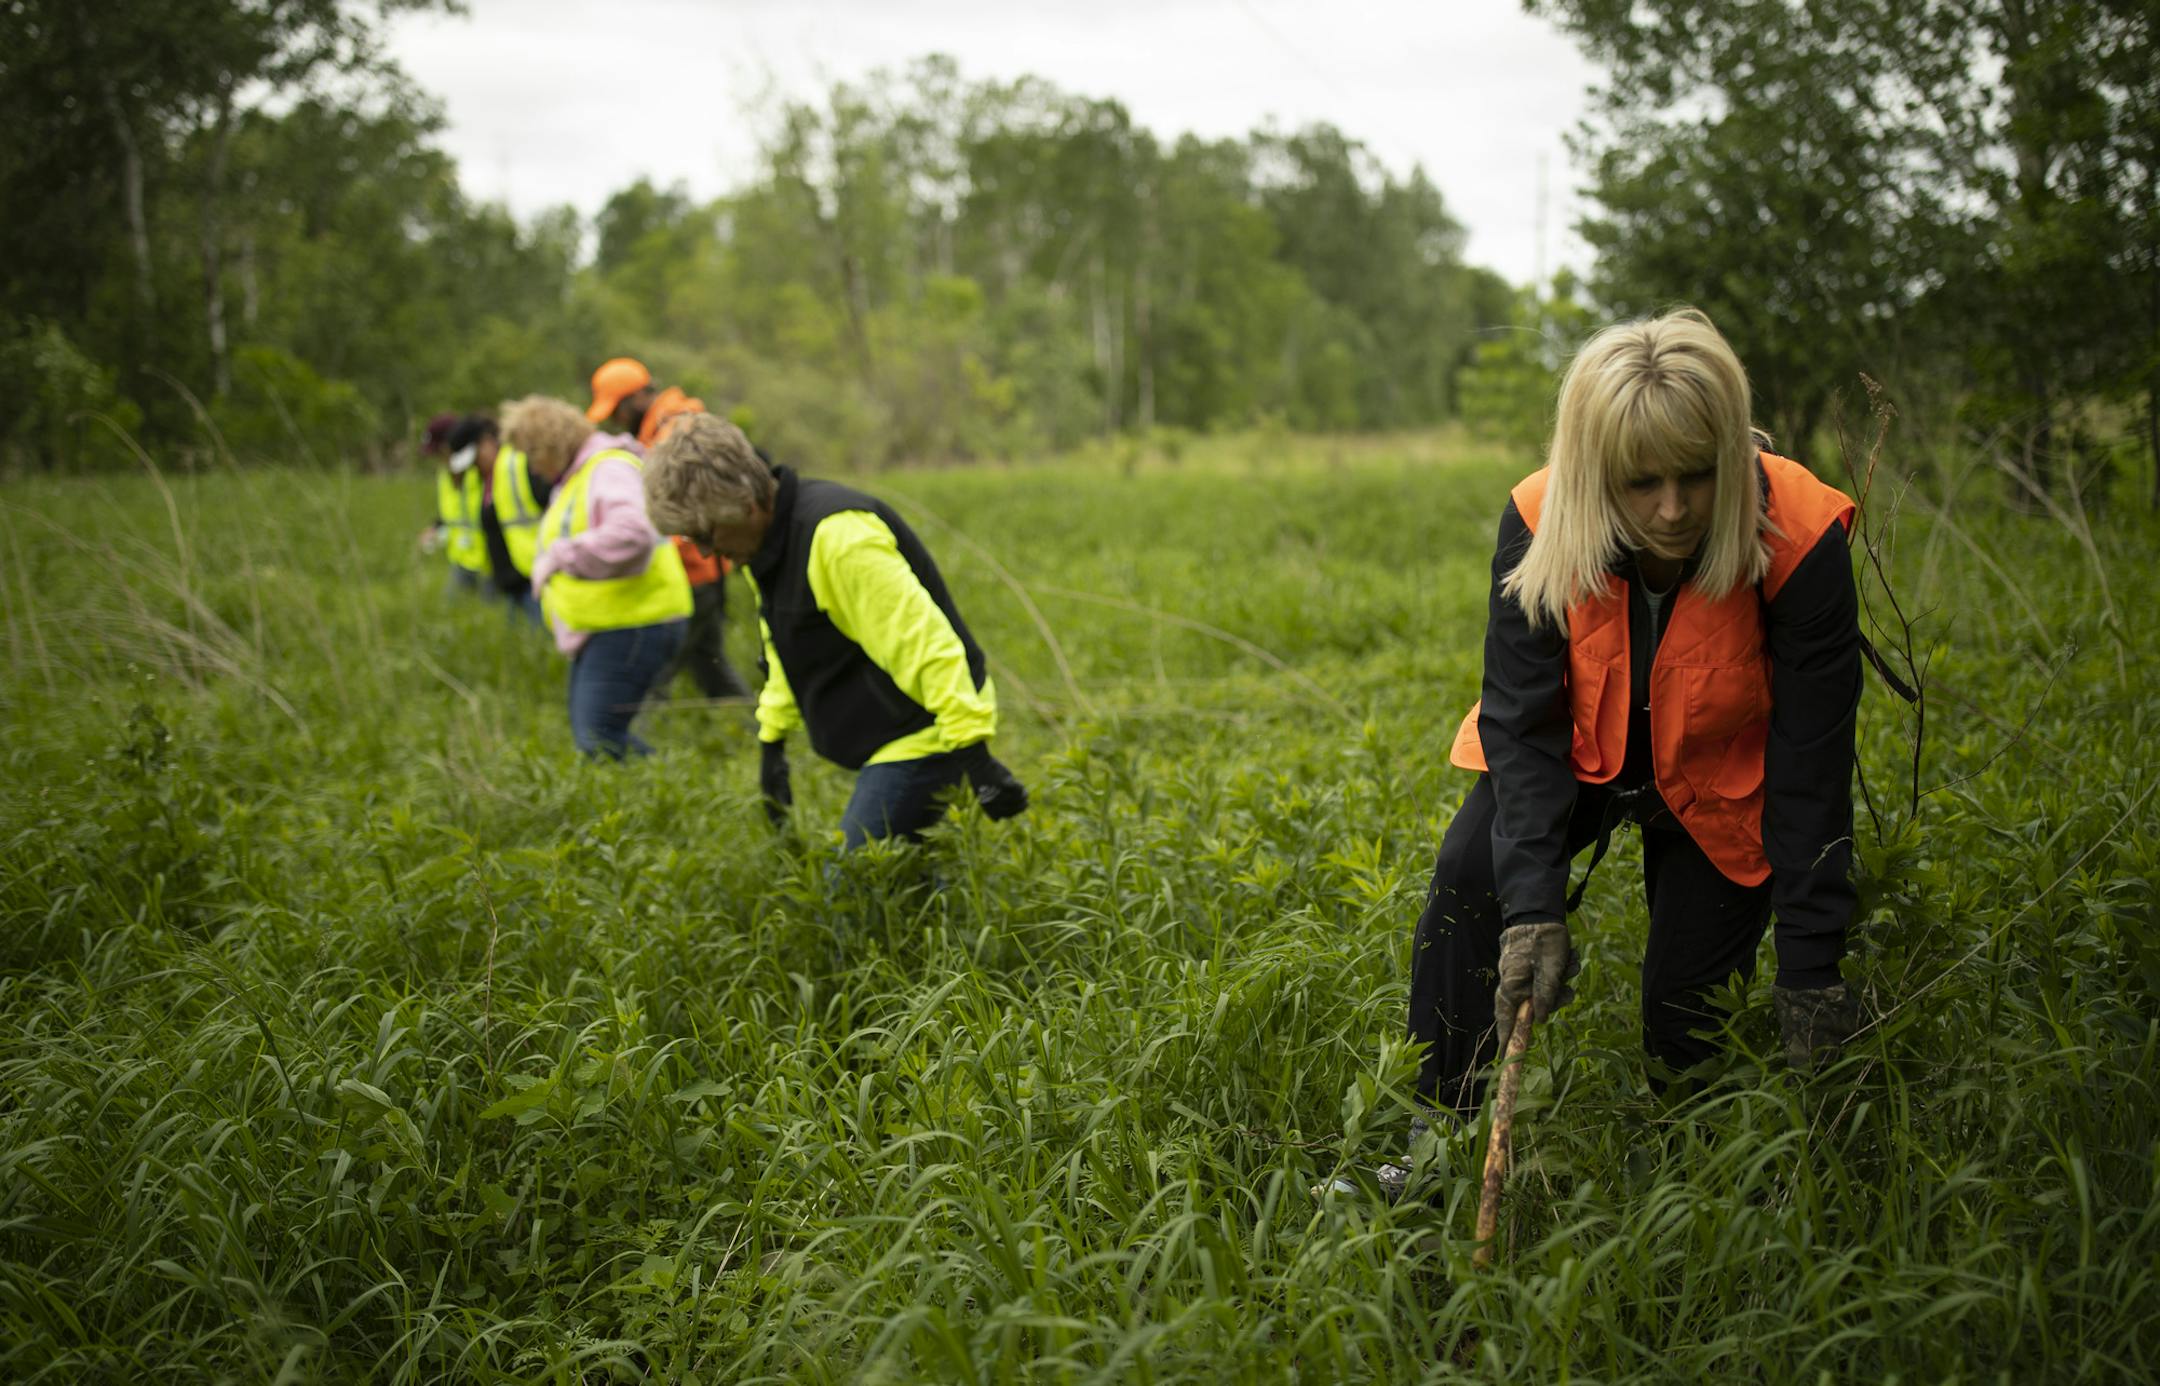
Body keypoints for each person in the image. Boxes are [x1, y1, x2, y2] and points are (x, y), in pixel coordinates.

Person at [1369, 307, 1867, 1202]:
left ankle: (1702, 1182)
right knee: (1469, 877)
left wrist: (1813, 967)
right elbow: (1519, 727)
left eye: (1696, 478)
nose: (1673, 511)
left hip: (1722, 771)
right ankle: (1433, 1148)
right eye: (1642, 485)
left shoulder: (1801, 533)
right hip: (1576, 752)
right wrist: (1531, 908)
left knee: (1687, 1011)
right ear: (1598, 474)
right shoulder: (1539, 513)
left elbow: (1812, 767)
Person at [642, 413, 1029, 847]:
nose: (707, 551)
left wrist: (974, 754)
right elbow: (782, 644)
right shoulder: (766, 546)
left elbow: (921, 641)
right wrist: (772, 741)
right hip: (890, 732)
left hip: (926, 730)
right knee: (905, 880)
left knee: (853, 885)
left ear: (744, 502)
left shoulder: (837, 538)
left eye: (706, 534)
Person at [501, 395, 692, 759]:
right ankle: (646, 796)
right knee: (595, 735)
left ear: (550, 445)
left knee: (599, 738)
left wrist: (561, 555)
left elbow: (632, 534)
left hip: (634, 622)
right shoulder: (582, 474)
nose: (532, 467)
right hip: (612, 624)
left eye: (532, 453)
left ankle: (663, 793)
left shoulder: (607, 470)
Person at [588, 357, 750, 700]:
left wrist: (651, 555)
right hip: (698, 572)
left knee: (656, 670)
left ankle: (620, 741)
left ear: (637, 398)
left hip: (694, 573)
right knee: (709, 665)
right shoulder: (661, 431)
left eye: (617, 410)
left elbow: (686, 510)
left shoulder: (674, 434)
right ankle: (758, 730)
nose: (617, 420)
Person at [445, 414, 549, 623]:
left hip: (535, 580)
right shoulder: (488, 477)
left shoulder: (517, 464)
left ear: (487, 442)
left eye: (475, 458)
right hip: (512, 583)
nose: (474, 466)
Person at [418, 410, 489, 594]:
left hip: (489, 563)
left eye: (440, 451)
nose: (439, 458)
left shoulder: (480, 470)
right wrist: (436, 528)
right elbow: (453, 514)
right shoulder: (444, 475)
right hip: (461, 560)